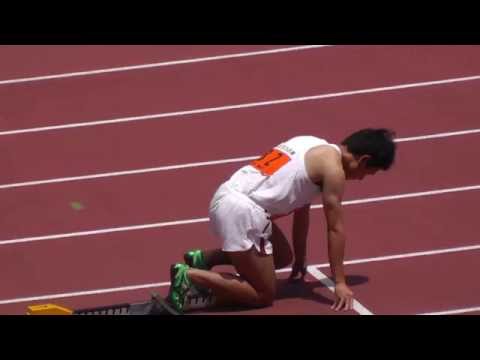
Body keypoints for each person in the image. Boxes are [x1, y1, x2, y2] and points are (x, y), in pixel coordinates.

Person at [166, 128, 396, 313]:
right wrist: (340, 283)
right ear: (364, 160)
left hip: (229, 194)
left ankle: (203, 259)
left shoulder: (310, 141)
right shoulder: (334, 172)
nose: (363, 178)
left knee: (283, 256)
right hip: (244, 212)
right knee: (263, 295)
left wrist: (301, 258)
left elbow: (301, 210)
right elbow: (335, 228)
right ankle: (189, 276)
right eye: (369, 173)